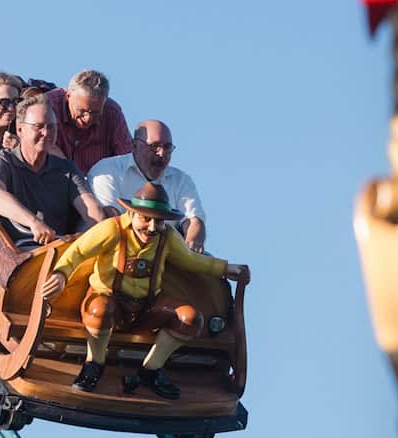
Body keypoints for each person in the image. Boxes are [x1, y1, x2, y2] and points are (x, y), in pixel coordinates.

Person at [41, 182, 248, 398]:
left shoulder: (167, 237)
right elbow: (78, 252)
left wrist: (225, 268)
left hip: (146, 308)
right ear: (131, 213)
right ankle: (94, 365)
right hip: (108, 301)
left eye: (158, 221)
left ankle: (151, 369)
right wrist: (61, 274)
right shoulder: (112, 229)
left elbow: (190, 260)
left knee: (190, 318)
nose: (151, 227)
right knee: (100, 310)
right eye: (145, 218)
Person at [0, 95, 105, 245]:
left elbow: (90, 206)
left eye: (51, 127)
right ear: (20, 130)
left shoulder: (67, 168)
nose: (46, 133)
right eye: (38, 127)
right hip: (16, 253)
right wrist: (33, 222)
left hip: (59, 253)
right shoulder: (1, 161)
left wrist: (95, 229)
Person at [88, 120, 208, 252]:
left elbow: (194, 220)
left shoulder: (180, 180)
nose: (162, 153)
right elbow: (110, 218)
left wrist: (191, 246)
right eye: (154, 146)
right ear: (134, 145)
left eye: (167, 147)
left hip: (165, 255)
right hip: (114, 252)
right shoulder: (107, 170)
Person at [44, 69, 133, 174]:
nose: (88, 118)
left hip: (100, 184)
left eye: (95, 112)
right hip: (54, 178)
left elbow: (127, 160)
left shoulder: (112, 113)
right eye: (82, 110)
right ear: (68, 96)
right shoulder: (47, 106)